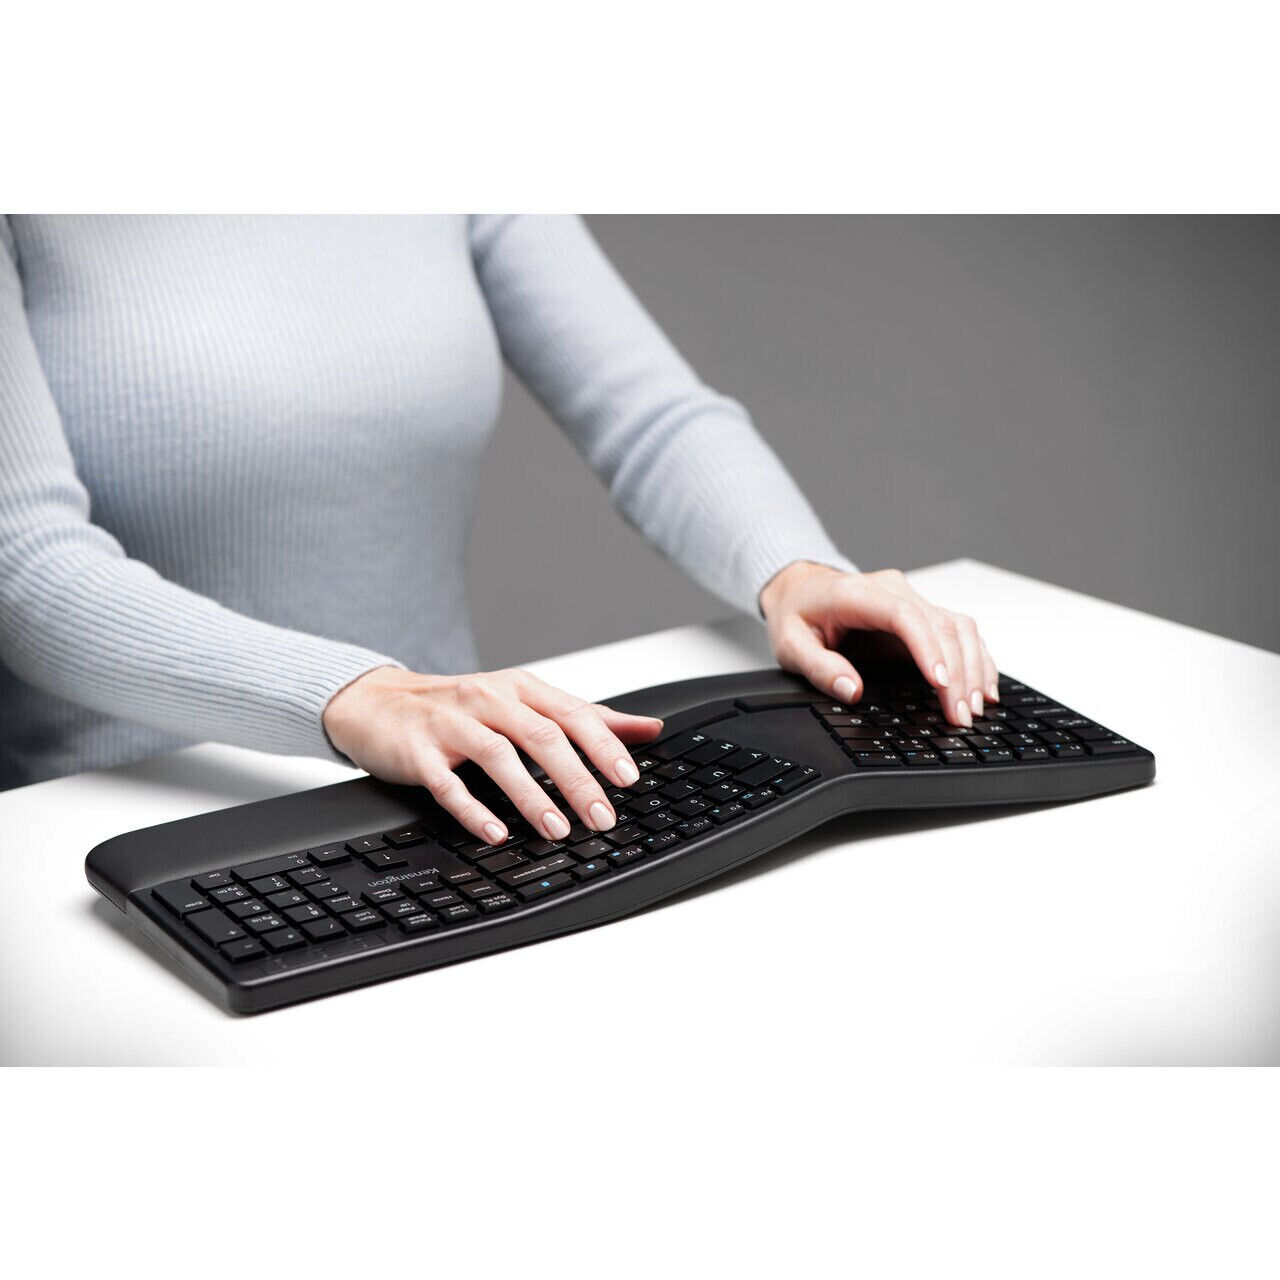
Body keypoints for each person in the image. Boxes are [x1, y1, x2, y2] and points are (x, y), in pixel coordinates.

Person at [0, 215, 997, 845]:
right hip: (115, 823)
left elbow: (648, 413)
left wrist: (794, 570)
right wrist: (356, 693)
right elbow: (24, 562)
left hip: (446, 788)